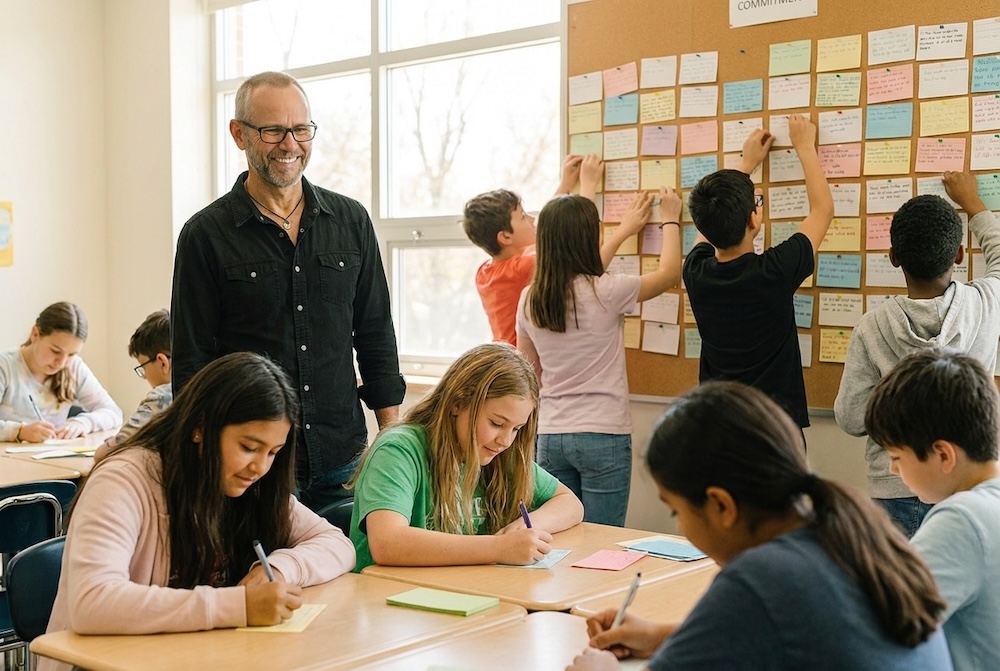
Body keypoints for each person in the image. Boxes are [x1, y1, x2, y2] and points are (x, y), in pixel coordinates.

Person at [566, 382, 953, 671]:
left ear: (721, 505)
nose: (681, 526)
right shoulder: (852, 532)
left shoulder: (762, 576)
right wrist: (662, 637)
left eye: (676, 511)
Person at [171, 70, 405, 512]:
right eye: (273, 130)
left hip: (346, 458)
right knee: (275, 580)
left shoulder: (350, 221)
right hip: (257, 466)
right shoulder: (205, 235)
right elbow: (192, 360)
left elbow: (375, 331)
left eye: (300, 129)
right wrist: (205, 453)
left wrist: (390, 437)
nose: (290, 144)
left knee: (359, 577)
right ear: (239, 134)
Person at [40, 352, 355, 671]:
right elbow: (93, 604)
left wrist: (283, 567)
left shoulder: (251, 484)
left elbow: (336, 543)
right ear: (199, 428)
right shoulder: (123, 481)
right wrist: (239, 606)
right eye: (248, 447)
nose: (260, 467)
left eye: (273, 452)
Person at [835, 171, 1000, 536]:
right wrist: (971, 203)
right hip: (968, 483)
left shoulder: (872, 326)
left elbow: (849, 417)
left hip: (896, 488)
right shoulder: (985, 304)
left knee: (903, 590)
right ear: (958, 254)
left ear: (893, 258)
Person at [515, 188, 682, 526]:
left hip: (551, 433)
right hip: (603, 432)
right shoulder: (608, 289)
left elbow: (526, 371)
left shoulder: (530, 299)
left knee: (559, 537)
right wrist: (671, 219)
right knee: (602, 539)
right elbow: (669, 275)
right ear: (589, 237)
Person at [348, 343, 583, 572]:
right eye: (496, 423)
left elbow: (570, 503)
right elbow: (388, 544)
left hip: (459, 591)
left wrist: (523, 529)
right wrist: (499, 548)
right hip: (387, 598)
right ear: (457, 403)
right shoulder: (398, 450)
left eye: (516, 429)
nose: (506, 441)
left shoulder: (496, 452)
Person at [684, 115, 834, 431]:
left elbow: (706, 226)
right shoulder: (775, 271)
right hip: (775, 429)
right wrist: (805, 147)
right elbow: (822, 210)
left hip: (718, 427)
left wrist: (746, 163)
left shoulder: (695, 271)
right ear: (754, 220)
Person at [866, 348, 1000, 671]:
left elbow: (879, 627)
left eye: (896, 457)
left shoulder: (962, 519)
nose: (893, 470)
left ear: (942, 455)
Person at [463, 154, 602, 345]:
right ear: (505, 237)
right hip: (522, 362)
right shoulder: (524, 267)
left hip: (505, 358)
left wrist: (565, 186)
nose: (532, 219)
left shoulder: (484, 272)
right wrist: (588, 183)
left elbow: (545, 232)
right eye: (523, 216)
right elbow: (576, 238)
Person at [0, 302, 121, 443]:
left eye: (71, 354)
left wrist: (83, 423)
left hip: (53, 460)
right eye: (55, 351)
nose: (62, 363)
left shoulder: (74, 367)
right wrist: (19, 432)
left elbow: (113, 412)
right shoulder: (5, 366)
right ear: (35, 334)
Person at [94, 309, 173, 463]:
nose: (145, 377)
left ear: (163, 362)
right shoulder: (210, 385)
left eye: (143, 368)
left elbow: (107, 453)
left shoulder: (163, 397)